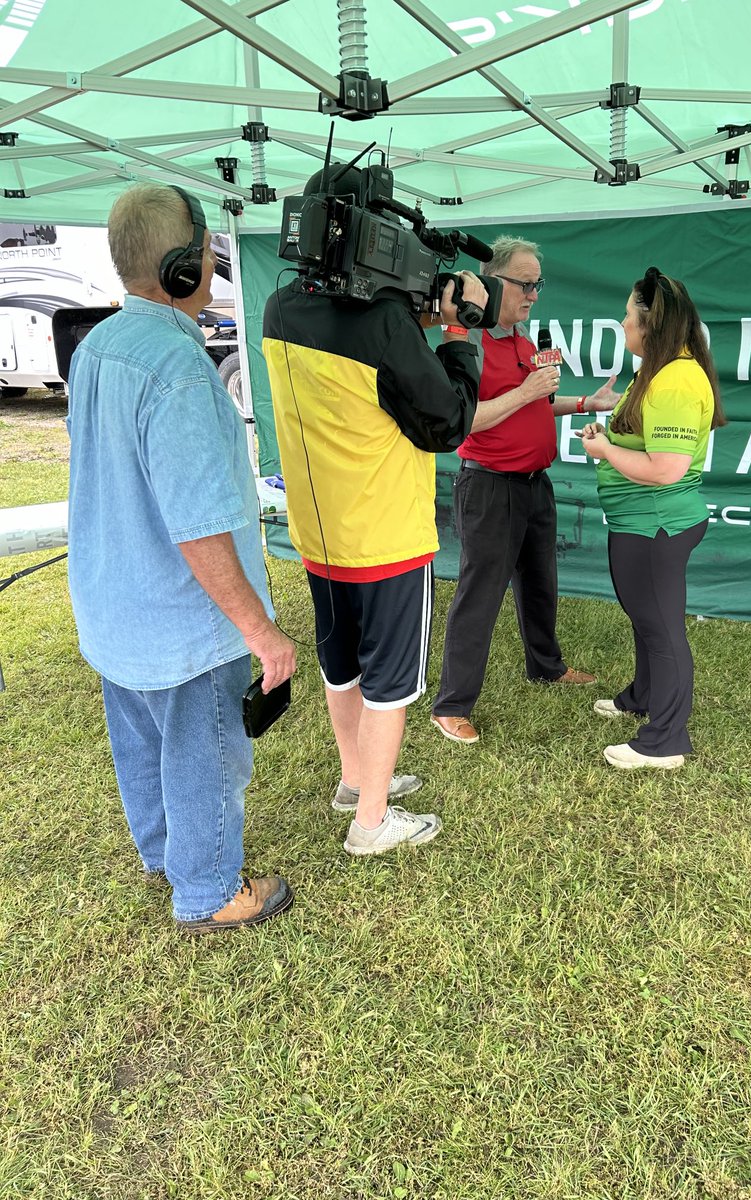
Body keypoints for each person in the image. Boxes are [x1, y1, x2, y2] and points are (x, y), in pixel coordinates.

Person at [67, 183, 296, 933]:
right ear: (183, 264)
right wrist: (261, 632)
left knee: (143, 740)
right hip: (182, 623)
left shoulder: (99, 345)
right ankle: (208, 892)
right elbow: (198, 527)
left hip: (113, 605)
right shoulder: (178, 367)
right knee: (203, 750)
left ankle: (167, 855)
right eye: (205, 252)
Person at [262, 163, 485, 857]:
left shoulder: (279, 307)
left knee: (342, 666)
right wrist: (454, 335)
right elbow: (445, 423)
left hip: (319, 531)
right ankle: (372, 824)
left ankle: (355, 782)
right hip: (384, 534)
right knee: (391, 683)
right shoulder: (385, 323)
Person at [431, 235, 618, 745]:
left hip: (535, 485)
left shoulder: (523, 341)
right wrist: (526, 392)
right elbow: (463, 422)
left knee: (540, 584)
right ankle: (450, 705)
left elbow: (537, 404)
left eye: (539, 285)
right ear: (493, 281)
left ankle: (547, 666)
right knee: (480, 595)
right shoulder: (468, 344)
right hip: (490, 487)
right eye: (526, 284)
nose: (534, 294)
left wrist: (583, 403)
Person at [580, 266, 726, 769]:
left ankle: (665, 739)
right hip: (639, 521)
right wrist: (610, 437)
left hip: (656, 522)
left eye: (627, 317)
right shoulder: (659, 372)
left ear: (650, 324)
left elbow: (665, 469)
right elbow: (641, 441)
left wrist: (603, 451)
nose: (621, 325)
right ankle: (642, 696)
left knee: (661, 628)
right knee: (646, 619)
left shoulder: (678, 380)